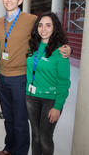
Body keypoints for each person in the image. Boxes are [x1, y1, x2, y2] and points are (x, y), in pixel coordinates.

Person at [0, 0, 71, 155]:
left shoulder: (30, 20)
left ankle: (19, 152)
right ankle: (9, 148)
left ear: (20, 1)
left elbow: (49, 32)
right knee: (8, 118)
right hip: (3, 76)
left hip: (20, 77)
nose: (9, 0)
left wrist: (66, 48)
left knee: (20, 120)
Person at [26, 12, 70, 155]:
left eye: (48, 25)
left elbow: (64, 82)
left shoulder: (61, 51)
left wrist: (58, 106)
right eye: (40, 25)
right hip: (31, 97)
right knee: (35, 135)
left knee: (45, 137)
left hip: (50, 100)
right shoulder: (33, 45)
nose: (43, 29)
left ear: (54, 28)